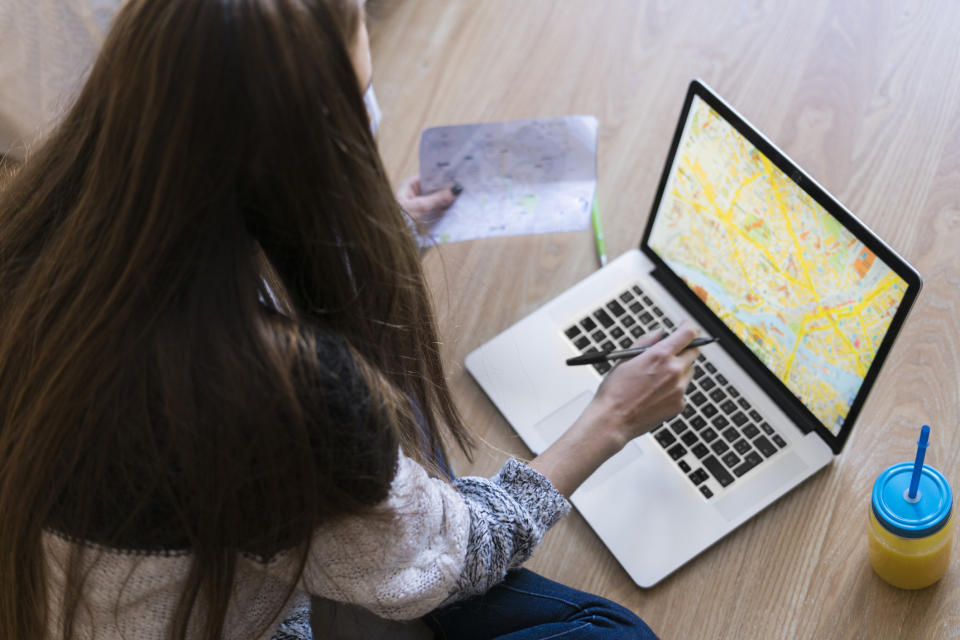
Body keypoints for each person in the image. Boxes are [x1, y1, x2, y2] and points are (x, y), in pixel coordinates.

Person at [0, 0, 698, 638]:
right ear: (312, 126)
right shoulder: (285, 390)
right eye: (363, 33)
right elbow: (443, 564)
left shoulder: (35, 227)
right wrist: (608, 420)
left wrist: (372, 235)